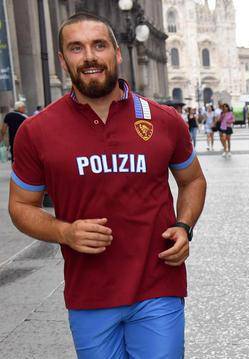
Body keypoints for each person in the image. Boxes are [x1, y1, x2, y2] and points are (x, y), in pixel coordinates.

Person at [7, 13, 206, 358]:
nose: (89, 57)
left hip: (158, 285)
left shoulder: (163, 119)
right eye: (76, 48)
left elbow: (192, 181)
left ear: (117, 53)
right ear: (62, 60)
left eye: (99, 45)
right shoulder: (36, 131)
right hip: (90, 295)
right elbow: (20, 206)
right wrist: (64, 232)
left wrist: (183, 225)